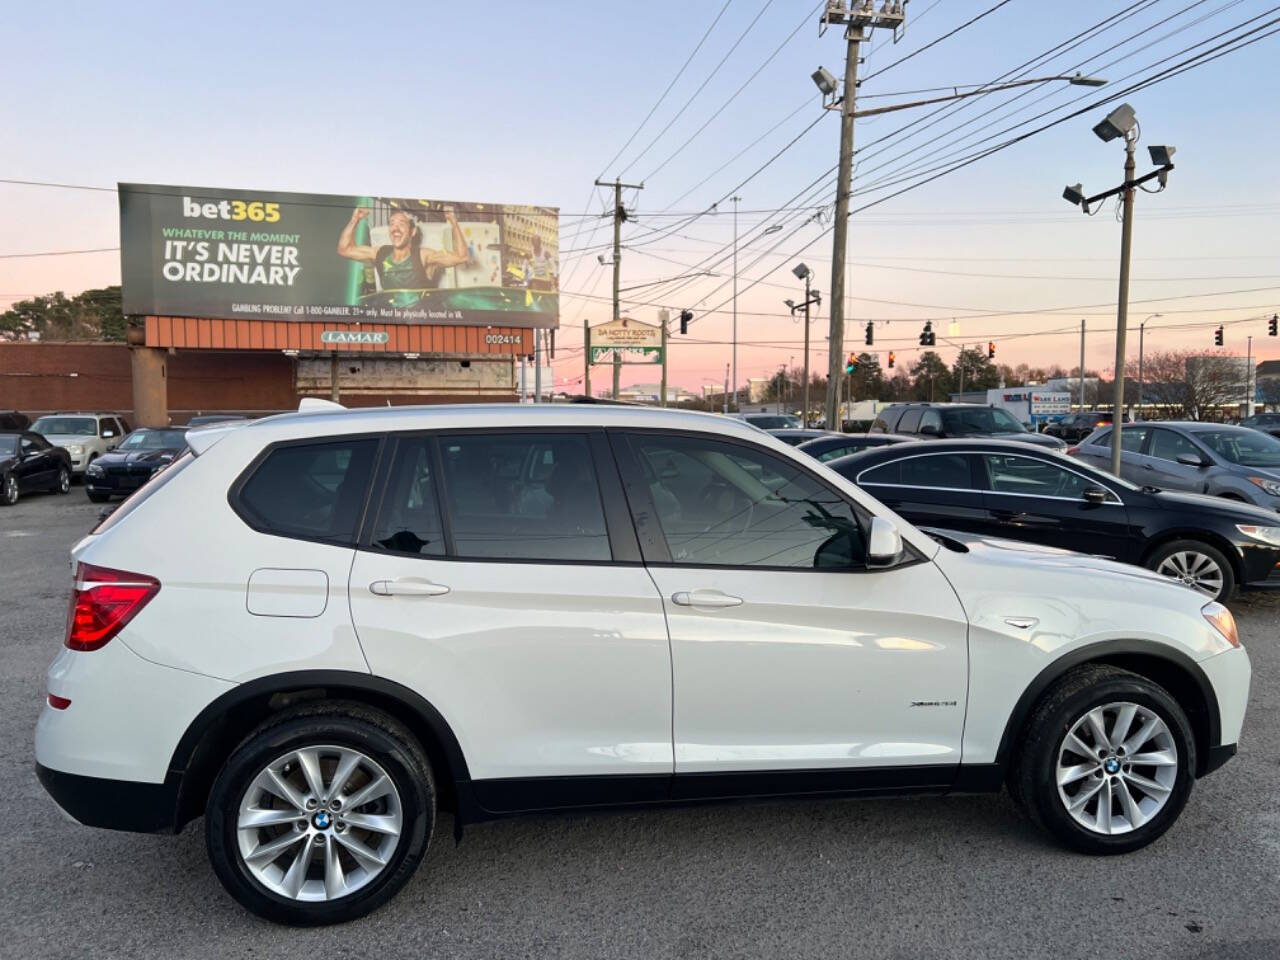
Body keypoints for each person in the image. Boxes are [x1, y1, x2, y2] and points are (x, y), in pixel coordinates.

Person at [338, 206, 468, 304]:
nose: (395, 228)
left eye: (401, 224)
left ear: (412, 232)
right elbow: (344, 249)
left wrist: (453, 222)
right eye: (392, 224)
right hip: (391, 319)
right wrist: (355, 219)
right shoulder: (380, 254)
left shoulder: (424, 256)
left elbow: (461, 256)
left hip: (420, 319)